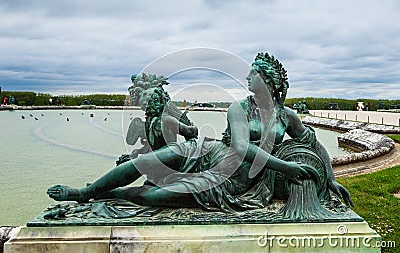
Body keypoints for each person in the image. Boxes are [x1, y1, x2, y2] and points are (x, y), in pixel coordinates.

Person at [48, 52, 352, 211]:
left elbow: (312, 145)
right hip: (207, 152)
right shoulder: (238, 108)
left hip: (233, 180)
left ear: (269, 81)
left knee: (157, 196)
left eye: (254, 72)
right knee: (144, 163)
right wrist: (285, 166)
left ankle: (109, 193)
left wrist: (331, 179)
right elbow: (242, 148)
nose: (248, 75)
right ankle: (85, 193)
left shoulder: (286, 115)